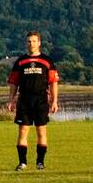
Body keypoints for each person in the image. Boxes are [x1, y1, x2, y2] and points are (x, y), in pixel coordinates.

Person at [7, 31, 59, 171]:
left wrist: (54, 101)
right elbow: (13, 83)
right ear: (26, 43)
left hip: (41, 100)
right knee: (23, 131)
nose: (31, 44)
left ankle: (40, 162)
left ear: (39, 43)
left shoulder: (47, 61)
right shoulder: (20, 62)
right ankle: (22, 163)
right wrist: (11, 100)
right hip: (24, 100)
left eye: (34, 41)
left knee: (41, 131)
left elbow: (53, 82)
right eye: (29, 41)